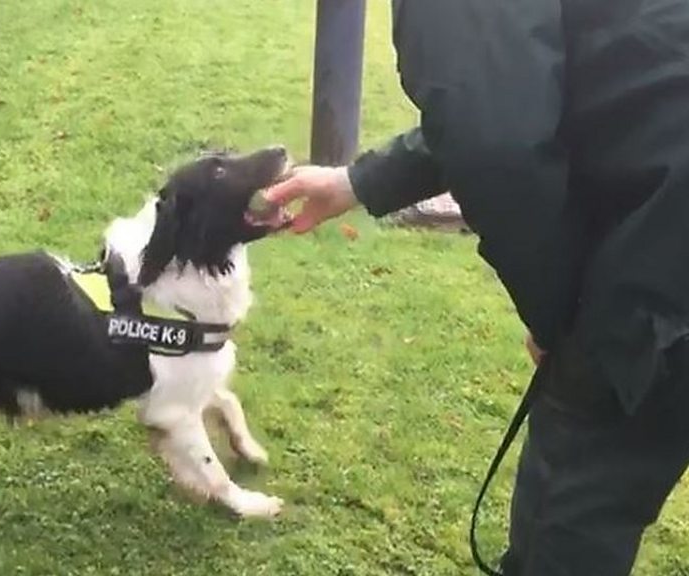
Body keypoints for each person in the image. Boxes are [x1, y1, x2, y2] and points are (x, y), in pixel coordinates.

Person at [263, 0, 689, 574]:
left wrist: (560, 319)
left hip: (660, 292)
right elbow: (521, 89)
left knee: (568, 530)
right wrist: (359, 181)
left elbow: (497, 138)